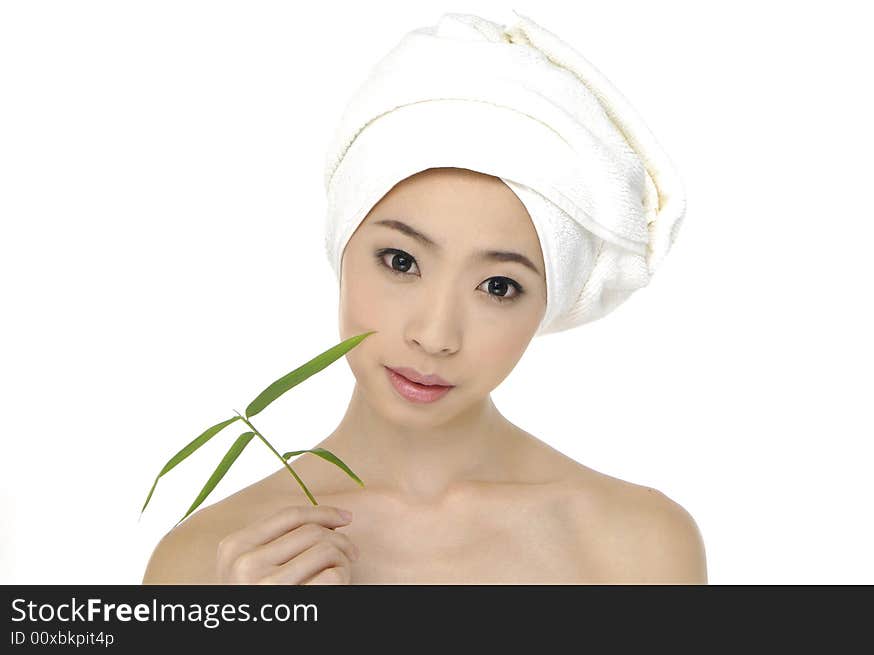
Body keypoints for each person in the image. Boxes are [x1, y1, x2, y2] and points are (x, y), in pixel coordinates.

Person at [143, 12, 706, 585]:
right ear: (342, 247)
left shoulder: (636, 547)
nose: (435, 335)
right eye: (401, 262)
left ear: (548, 305)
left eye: (499, 287)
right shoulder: (207, 561)